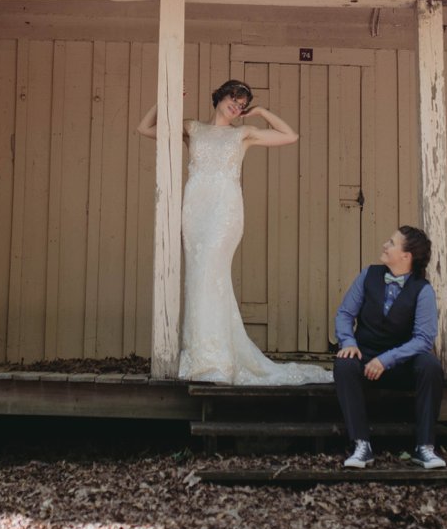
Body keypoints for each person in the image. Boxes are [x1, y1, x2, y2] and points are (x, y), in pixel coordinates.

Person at [136, 80, 329, 385]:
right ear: (220, 96)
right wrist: (166, 99)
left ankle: (216, 359)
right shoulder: (193, 128)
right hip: (195, 211)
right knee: (199, 278)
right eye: (233, 99)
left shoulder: (243, 135)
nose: (236, 107)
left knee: (212, 269)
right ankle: (202, 354)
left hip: (225, 212)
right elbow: (145, 128)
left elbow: (290, 136)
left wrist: (262, 111)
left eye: (242, 104)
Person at [332, 226, 446, 470]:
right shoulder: (368, 275)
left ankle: (424, 447)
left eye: (391, 243)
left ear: (406, 256)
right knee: (343, 363)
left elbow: (423, 339)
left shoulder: (423, 290)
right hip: (365, 357)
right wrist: (348, 342)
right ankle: (361, 445)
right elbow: (344, 314)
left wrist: (387, 360)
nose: (385, 245)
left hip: (402, 363)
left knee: (431, 365)